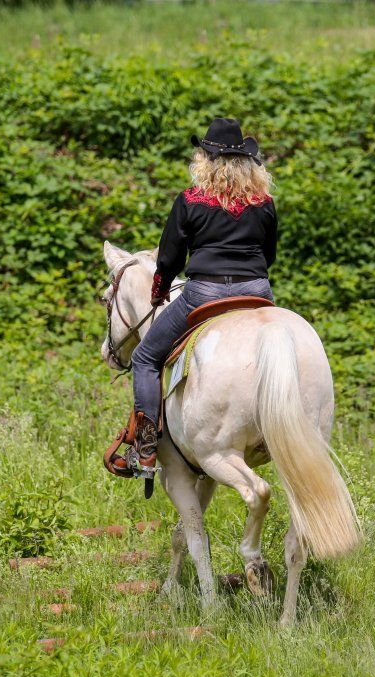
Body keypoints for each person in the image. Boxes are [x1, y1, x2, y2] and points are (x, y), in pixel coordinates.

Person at [112, 117, 278, 477]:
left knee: (143, 358)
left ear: (206, 160)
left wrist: (158, 292)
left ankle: (145, 451)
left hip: (205, 294)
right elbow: (269, 256)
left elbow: (169, 258)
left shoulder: (190, 201)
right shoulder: (263, 202)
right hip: (257, 292)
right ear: (248, 163)